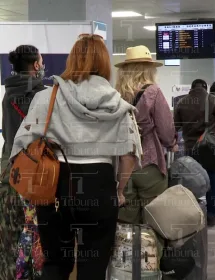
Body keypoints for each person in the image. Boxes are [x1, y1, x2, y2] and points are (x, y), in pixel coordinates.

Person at [9, 34, 142, 280]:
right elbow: (128, 156)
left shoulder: (45, 97)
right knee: (94, 264)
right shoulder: (119, 104)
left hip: (54, 185)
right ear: (104, 63)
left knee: (56, 262)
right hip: (100, 186)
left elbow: (22, 144)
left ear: (72, 60)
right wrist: (119, 190)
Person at [115, 45, 177, 224]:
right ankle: (150, 252)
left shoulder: (115, 94)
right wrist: (172, 142)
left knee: (126, 220)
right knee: (154, 220)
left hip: (122, 164)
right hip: (149, 162)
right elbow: (166, 129)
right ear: (148, 69)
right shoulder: (153, 92)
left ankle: (128, 251)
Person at [0, 45, 46, 280]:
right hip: (32, 173)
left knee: (8, 232)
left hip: (7, 170)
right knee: (33, 234)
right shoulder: (44, 95)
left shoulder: (8, 94)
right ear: (36, 65)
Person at [174, 79, 215, 226]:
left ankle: (191, 215)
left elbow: (176, 126)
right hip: (209, 147)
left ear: (191, 88)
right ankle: (211, 215)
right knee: (213, 178)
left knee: (190, 179)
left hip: (191, 148)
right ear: (205, 88)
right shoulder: (213, 100)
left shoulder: (182, 102)